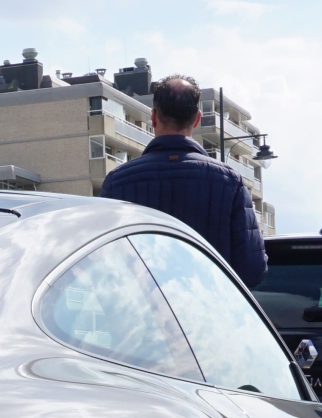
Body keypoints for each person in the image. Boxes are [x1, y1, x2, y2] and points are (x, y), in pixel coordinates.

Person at [96, 74, 266, 286]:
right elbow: (252, 269)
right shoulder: (229, 183)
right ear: (197, 119)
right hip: (211, 312)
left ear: (154, 118)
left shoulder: (117, 183)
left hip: (140, 313)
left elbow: (102, 265)